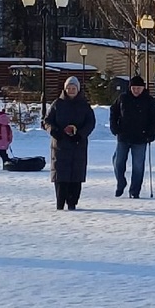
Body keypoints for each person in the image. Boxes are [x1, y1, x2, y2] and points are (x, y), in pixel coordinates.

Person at [45, 75, 95, 210]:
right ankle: (60, 203)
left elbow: (90, 123)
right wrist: (54, 131)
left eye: (73, 88)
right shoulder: (57, 104)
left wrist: (80, 134)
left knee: (76, 174)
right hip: (60, 144)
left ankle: (73, 202)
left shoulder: (84, 105)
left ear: (78, 89)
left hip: (78, 145)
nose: (71, 90)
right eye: (69, 88)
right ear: (65, 89)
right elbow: (47, 121)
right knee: (61, 175)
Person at [109, 73, 155, 199]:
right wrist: (114, 127)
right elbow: (113, 112)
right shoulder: (123, 98)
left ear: (143, 88)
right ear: (130, 87)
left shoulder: (148, 100)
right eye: (134, 88)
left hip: (141, 138)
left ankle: (134, 190)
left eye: (139, 88)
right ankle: (121, 182)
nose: (136, 90)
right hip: (123, 136)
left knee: (138, 166)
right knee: (118, 162)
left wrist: (151, 134)